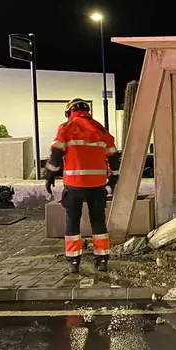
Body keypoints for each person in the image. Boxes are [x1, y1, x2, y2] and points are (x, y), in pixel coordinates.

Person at [44, 98, 120, 274]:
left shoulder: (66, 127)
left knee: (72, 221)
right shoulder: (100, 129)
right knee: (98, 221)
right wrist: (114, 179)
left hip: (74, 186)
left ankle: (73, 261)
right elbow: (114, 156)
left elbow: (56, 155)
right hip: (98, 185)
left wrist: (49, 176)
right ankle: (102, 260)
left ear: (69, 112)